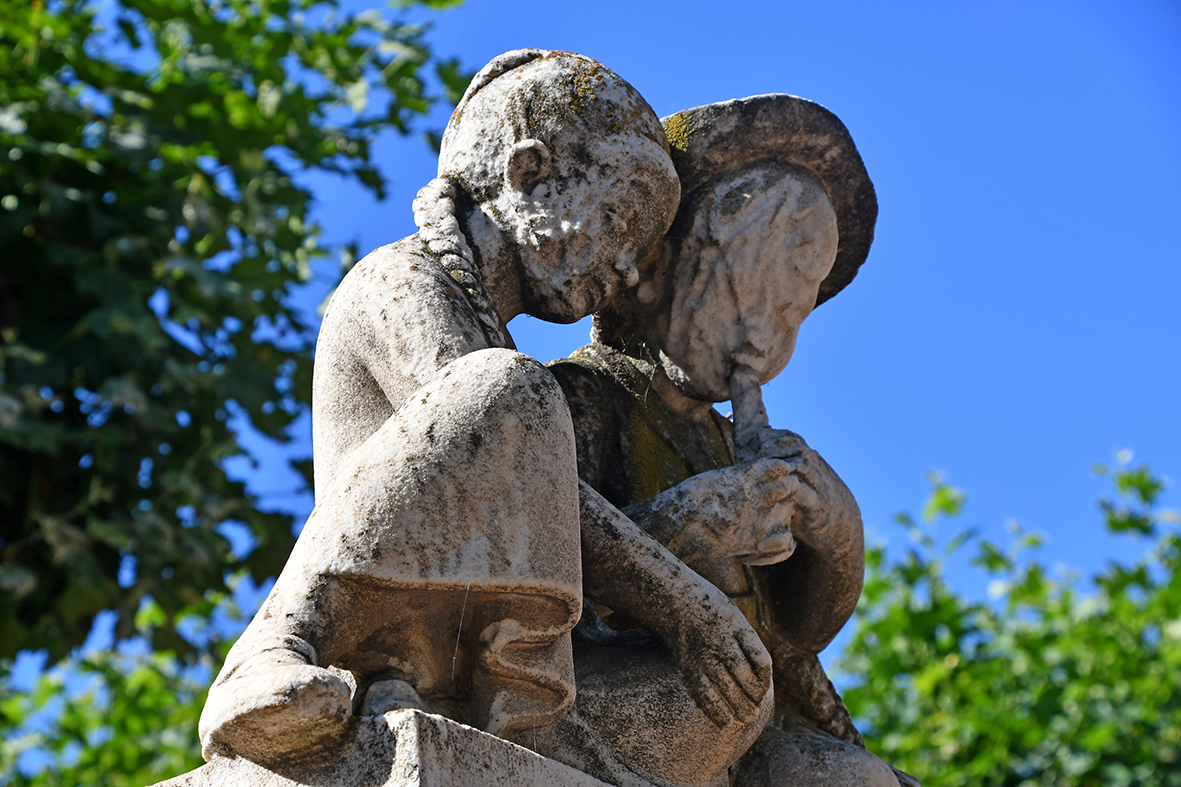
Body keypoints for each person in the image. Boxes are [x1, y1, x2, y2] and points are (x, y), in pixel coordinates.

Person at [198, 50, 774, 781]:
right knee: (513, 390)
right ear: (526, 173)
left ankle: (535, 734)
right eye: (620, 219)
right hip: (379, 644)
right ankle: (274, 646)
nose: (628, 267)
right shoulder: (399, 280)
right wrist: (682, 598)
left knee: (729, 694)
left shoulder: (498, 344)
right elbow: (528, 467)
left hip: (478, 651)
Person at [549, 94, 917, 786]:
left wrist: (834, 531)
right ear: (655, 266)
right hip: (629, 694)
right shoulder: (584, 397)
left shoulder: (732, 445)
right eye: (742, 298)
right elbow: (550, 569)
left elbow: (794, 635)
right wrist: (690, 524)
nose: (762, 338)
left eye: (788, 316)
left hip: (753, 712)